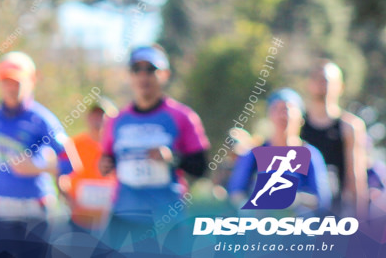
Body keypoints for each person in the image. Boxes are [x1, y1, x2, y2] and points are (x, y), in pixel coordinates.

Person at [0, 52, 81, 256]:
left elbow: (71, 162)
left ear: (31, 81)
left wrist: (37, 168)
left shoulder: (42, 119)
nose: (11, 87)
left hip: (34, 210)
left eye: (17, 81)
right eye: (6, 81)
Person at [95, 45, 209, 256]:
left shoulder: (182, 116)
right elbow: (108, 159)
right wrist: (105, 164)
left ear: (164, 74)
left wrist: (172, 157)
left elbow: (201, 168)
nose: (143, 75)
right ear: (130, 76)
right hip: (123, 217)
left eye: (151, 69)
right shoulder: (117, 120)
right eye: (137, 69)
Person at [227, 88, 331, 216]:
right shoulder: (254, 155)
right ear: (269, 116)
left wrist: (294, 199)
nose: (283, 115)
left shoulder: (310, 155)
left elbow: (322, 200)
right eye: (276, 109)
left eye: (288, 109)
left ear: (301, 118)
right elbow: (236, 193)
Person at [302, 59, 369, 217]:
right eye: (317, 79)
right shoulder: (297, 125)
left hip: (336, 211)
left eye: (327, 80)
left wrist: (361, 221)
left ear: (340, 87)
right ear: (309, 84)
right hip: (302, 212)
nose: (322, 84)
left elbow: (356, 176)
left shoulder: (349, 126)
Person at [60, 97, 117, 233]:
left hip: (112, 221)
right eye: (94, 115)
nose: (98, 119)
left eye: (103, 115)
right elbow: (60, 175)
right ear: (87, 118)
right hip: (79, 221)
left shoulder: (118, 146)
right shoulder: (73, 144)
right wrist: (69, 200)